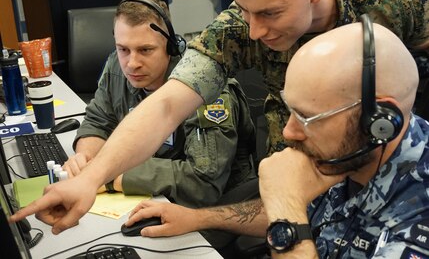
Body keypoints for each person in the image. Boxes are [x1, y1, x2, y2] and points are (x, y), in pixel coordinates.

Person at [10, 0, 429, 236]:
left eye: (269, 13)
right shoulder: (238, 28)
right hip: (319, 148)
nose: (254, 32)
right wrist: (87, 180)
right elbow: (169, 103)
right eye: (244, 11)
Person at [123, 19, 429, 258]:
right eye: (290, 112)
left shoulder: (418, 219)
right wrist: (197, 218)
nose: (289, 132)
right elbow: (306, 211)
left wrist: (286, 207)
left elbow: (291, 210)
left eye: (308, 117)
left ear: (380, 121)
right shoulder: (349, 153)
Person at [61, 0, 257, 209]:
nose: (132, 63)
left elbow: (203, 182)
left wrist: (108, 176)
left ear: (171, 47)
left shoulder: (206, 87)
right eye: (123, 49)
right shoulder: (117, 66)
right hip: (154, 197)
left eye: (145, 50)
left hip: (219, 209)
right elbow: (98, 121)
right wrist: (85, 161)